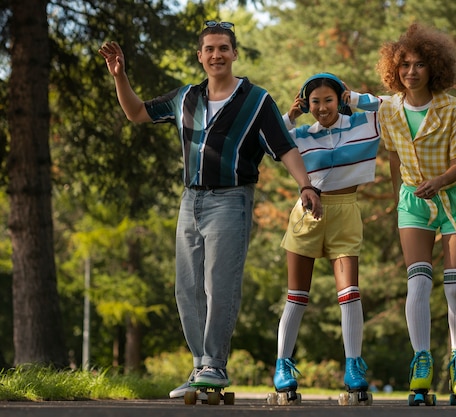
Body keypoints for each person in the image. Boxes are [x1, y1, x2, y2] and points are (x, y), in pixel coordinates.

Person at [98, 20, 322, 399]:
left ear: (234, 54)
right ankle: (201, 363)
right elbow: (136, 113)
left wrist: (305, 185)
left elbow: (284, 147)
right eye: (210, 49)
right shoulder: (185, 98)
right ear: (200, 56)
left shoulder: (256, 101)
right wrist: (120, 77)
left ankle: (215, 365)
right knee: (186, 288)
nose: (216, 54)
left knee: (219, 285)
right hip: (191, 200)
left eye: (223, 48)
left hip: (231, 199)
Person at [376, 23, 456, 402]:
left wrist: (437, 181)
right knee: (417, 282)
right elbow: (391, 157)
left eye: (419, 64)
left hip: (455, 202)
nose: (412, 71)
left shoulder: (453, 108)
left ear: (434, 67)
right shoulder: (390, 109)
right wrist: (398, 200)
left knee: (455, 288)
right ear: (395, 69)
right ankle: (421, 362)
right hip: (413, 202)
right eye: (404, 65)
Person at [271, 73, 381, 399]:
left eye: (328, 100)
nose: (322, 107)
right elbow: (269, 139)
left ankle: (353, 364)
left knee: (350, 292)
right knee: (297, 295)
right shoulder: (302, 135)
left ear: (339, 100)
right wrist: (291, 115)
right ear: (307, 104)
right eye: (315, 101)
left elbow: (389, 107)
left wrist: (355, 98)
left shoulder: (362, 124)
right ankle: (282, 364)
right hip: (307, 212)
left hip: (345, 212)